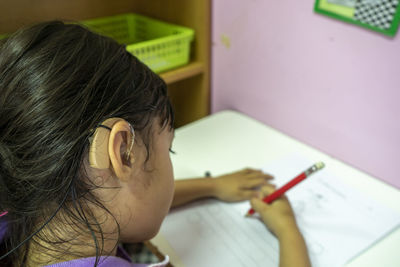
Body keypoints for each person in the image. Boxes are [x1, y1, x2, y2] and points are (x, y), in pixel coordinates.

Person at [0, 21, 311, 267]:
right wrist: (288, 232)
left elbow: (124, 198)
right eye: (168, 149)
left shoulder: (25, 208)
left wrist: (212, 185)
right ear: (123, 153)